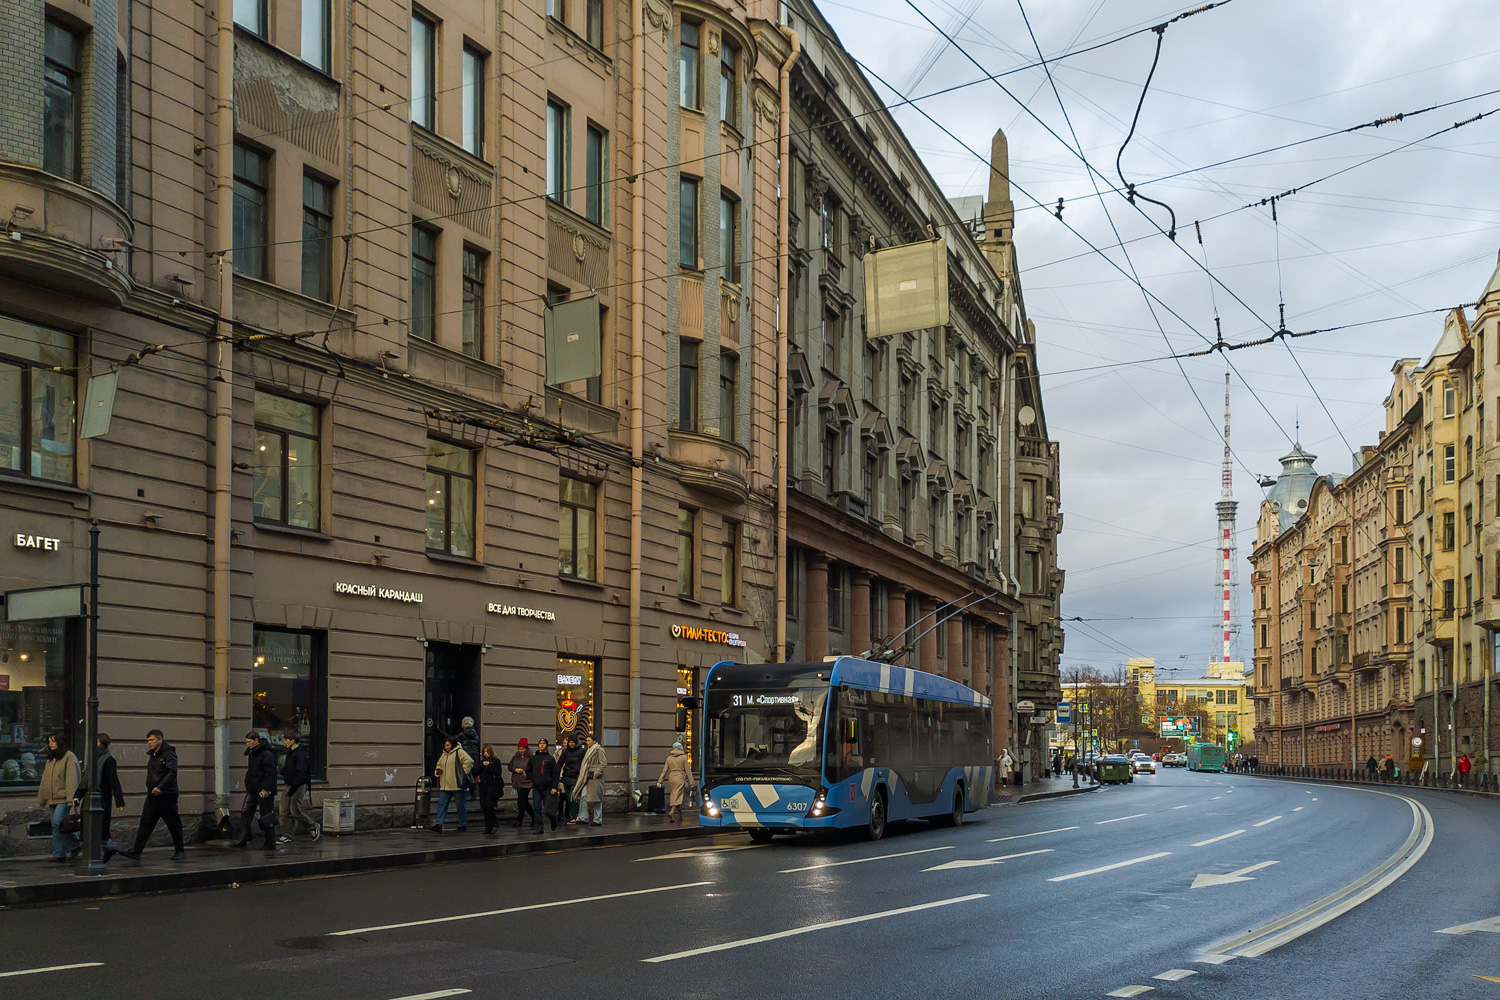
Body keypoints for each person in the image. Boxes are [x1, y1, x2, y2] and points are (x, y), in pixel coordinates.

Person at [116, 730, 185, 862]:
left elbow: (172, 772)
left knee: (172, 823)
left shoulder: (169, 753)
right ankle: (136, 851)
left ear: (160, 740)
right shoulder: (153, 755)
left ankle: (180, 850)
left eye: (152, 740)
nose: (149, 743)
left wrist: (160, 787)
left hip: (166, 794)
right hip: (153, 794)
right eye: (148, 740)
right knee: (146, 822)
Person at [74, 732, 126, 853]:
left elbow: (114, 781)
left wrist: (119, 802)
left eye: (96, 742)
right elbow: (85, 780)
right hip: (89, 798)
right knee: (89, 825)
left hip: (102, 799)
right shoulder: (92, 759)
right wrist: (77, 796)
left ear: (101, 744)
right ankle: (101, 849)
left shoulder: (108, 760)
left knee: (101, 826)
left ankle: (103, 849)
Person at [36, 734, 81, 862]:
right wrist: (42, 798)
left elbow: (72, 779)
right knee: (56, 826)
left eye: (53, 741)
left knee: (57, 823)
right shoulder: (51, 758)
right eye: (49, 741)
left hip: (63, 798)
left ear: (60, 742)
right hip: (52, 798)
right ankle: (59, 854)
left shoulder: (69, 757)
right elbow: (45, 780)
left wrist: (72, 799)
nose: (51, 744)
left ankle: (75, 845)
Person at [235, 731, 279, 850]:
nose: (247, 744)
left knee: (266, 815)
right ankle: (244, 837)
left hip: (263, 789)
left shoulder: (266, 754)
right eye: (246, 742)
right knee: (245, 812)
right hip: (253, 788)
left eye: (249, 742)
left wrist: (267, 789)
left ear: (256, 740)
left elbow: (271, 773)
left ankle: (270, 842)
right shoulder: (253, 753)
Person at [278, 733, 320, 843]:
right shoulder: (289, 752)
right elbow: (290, 768)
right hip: (288, 784)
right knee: (283, 812)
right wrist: (284, 772)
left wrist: (293, 788)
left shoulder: (300, 754)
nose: (285, 742)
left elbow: (301, 773)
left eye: (286, 740)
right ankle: (287, 835)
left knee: (295, 811)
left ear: (292, 741)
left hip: (298, 786)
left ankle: (313, 826)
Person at [432, 736, 474, 833]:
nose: (446, 747)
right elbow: (439, 765)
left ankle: (462, 824)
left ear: (452, 744)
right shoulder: (444, 755)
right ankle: (439, 824)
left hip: (457, 784)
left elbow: (469, 761)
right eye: (445, 745)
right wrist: (437, 772)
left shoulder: (459, 752)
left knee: (460, 806)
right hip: (445, 785)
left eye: (448, 745)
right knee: (442, 804)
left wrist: (463, 772)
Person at [526, 737, 560, 833]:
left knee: (548, 808)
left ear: (546, 745)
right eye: (540, 743)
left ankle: (553, 819)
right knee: (536, 807)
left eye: (543, 743)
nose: (541, 745)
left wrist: (554, 787)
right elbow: (528, 770)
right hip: (536, 787)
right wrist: (533, 778)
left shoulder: (550, 759)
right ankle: (539, 827)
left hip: (547, 787)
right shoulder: (533, 758)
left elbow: (555, 774)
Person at [575, 734, 608, 827]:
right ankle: (583, 817)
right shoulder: (588, 750)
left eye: (589, 740)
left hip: (595, 779)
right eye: (587, 740)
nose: (587, 742)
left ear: (594, 741)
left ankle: (597, 819)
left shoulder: (599, 750)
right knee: (584, 796)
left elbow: (603, 764)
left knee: (596, 799)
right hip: (587, 777)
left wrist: (595, 774)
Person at [474, 744, 507, 835]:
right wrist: (482, 765)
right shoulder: (481, 762)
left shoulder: (496, 761)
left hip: (492, 787)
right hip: (483, 787)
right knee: (485, 808)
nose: (485, 754)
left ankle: (494, 824)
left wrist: (489, 766)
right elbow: (475, 771)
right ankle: (488, 827)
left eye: (487, 752)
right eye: (484, 752)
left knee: (489, 806)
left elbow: (498, 773)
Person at [657, 740, 693, 823]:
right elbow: (688, 771)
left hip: (672, 777)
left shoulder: (669, 758)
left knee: (674, 794)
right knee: (678, 796)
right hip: (680, 777)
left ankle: (679, 816)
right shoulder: (683, 757)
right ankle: (672, 811)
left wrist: (660, 781)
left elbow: (664, 770)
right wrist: (692, 783)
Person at [509, 739, 535, 829]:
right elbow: (510, 766)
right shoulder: (516, 756)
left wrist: (526, 774)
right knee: (524, 801)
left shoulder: (531, 757)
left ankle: (519, 820)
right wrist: (515, 770)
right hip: (517, 782)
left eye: (522, 749)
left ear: (526, 748)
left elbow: (533, 769)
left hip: (527, 782)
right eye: (519, 748)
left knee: (520, 801)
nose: (521, 750)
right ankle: (534, 817)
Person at [558, 737, 584, 823]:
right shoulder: (565, 751)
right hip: (566, 777)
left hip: (576, 777)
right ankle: (572, 815)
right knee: (569, 798)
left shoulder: (581, 751)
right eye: (570, 742)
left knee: (573, 797)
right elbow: (560, 763)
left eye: (573, 742)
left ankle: (575, 815)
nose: (571, 744)